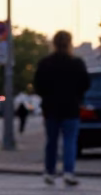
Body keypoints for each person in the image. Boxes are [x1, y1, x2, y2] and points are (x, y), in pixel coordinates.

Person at [33, 30, 90, 186]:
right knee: (70, 141)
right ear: (70, 43)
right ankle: (68, 172)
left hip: (50, 108)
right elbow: (85, 84)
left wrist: (46, 96)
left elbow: (38, 86)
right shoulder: (77, 63)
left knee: (51, 141)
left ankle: (50, 172)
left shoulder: (45, 63)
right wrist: (77, 96)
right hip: (71, 108)